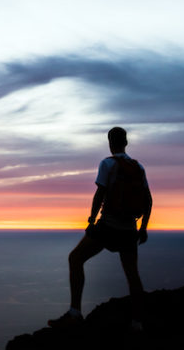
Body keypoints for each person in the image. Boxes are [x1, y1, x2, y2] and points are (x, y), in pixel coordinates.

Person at [49, 126, 152, 331]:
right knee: (132, 274)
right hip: (130, 229)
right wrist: (143, 228)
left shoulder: (107, 164)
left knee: (75, 258)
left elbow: (100, 194)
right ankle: (137, 322)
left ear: (110, 142)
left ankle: (75, 313)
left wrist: (91, 220)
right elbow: (148, 201)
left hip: (109, 227)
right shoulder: (138, 168)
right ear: (126, 142)